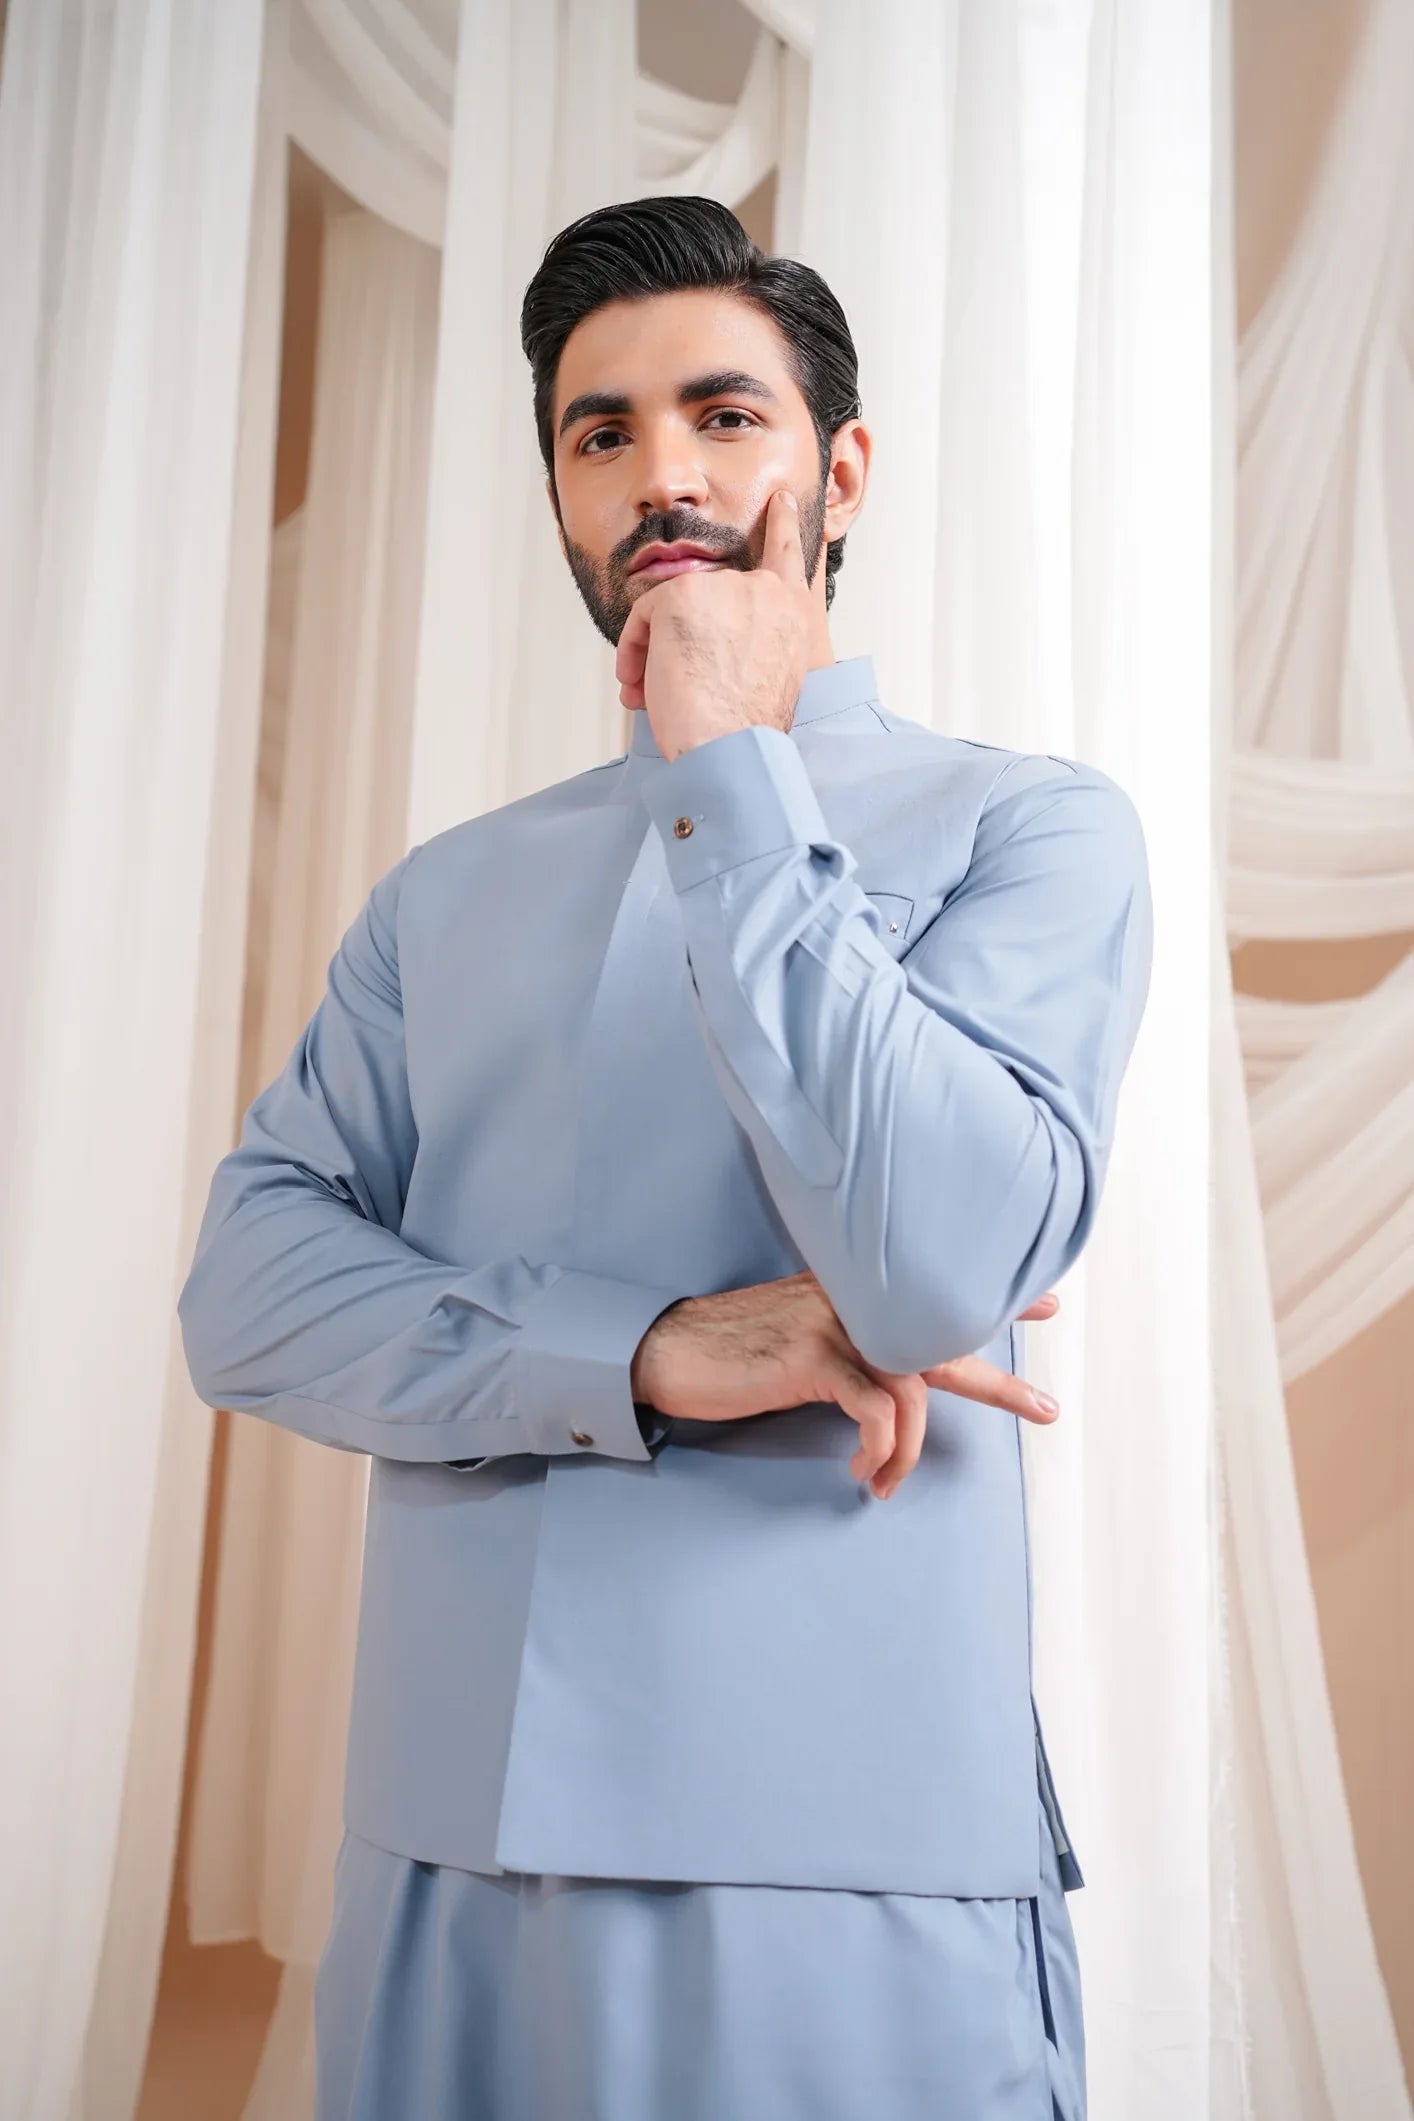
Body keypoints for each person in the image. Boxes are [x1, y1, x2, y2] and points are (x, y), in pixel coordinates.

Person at [178, 194, 1152, 2120]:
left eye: (723, 415)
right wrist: (641, 1348)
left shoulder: (1029, 828)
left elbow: (933, 1262)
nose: (662, 475)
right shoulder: (447, 893)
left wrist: (730, 771)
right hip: (441, 1851)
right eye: (600, 433)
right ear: (560, 499)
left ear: (838, 470)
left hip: (837, 1850)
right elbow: (247, 1295)